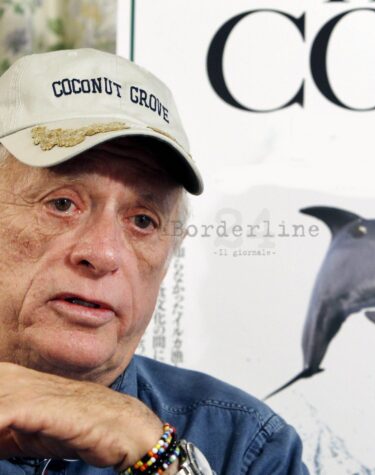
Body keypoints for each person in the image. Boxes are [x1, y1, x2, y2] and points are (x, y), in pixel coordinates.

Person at [0, 48, 308, 474]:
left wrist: (157, 455)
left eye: (143, 220)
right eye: (62, 204)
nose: (103, 253)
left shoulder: (244, 448)